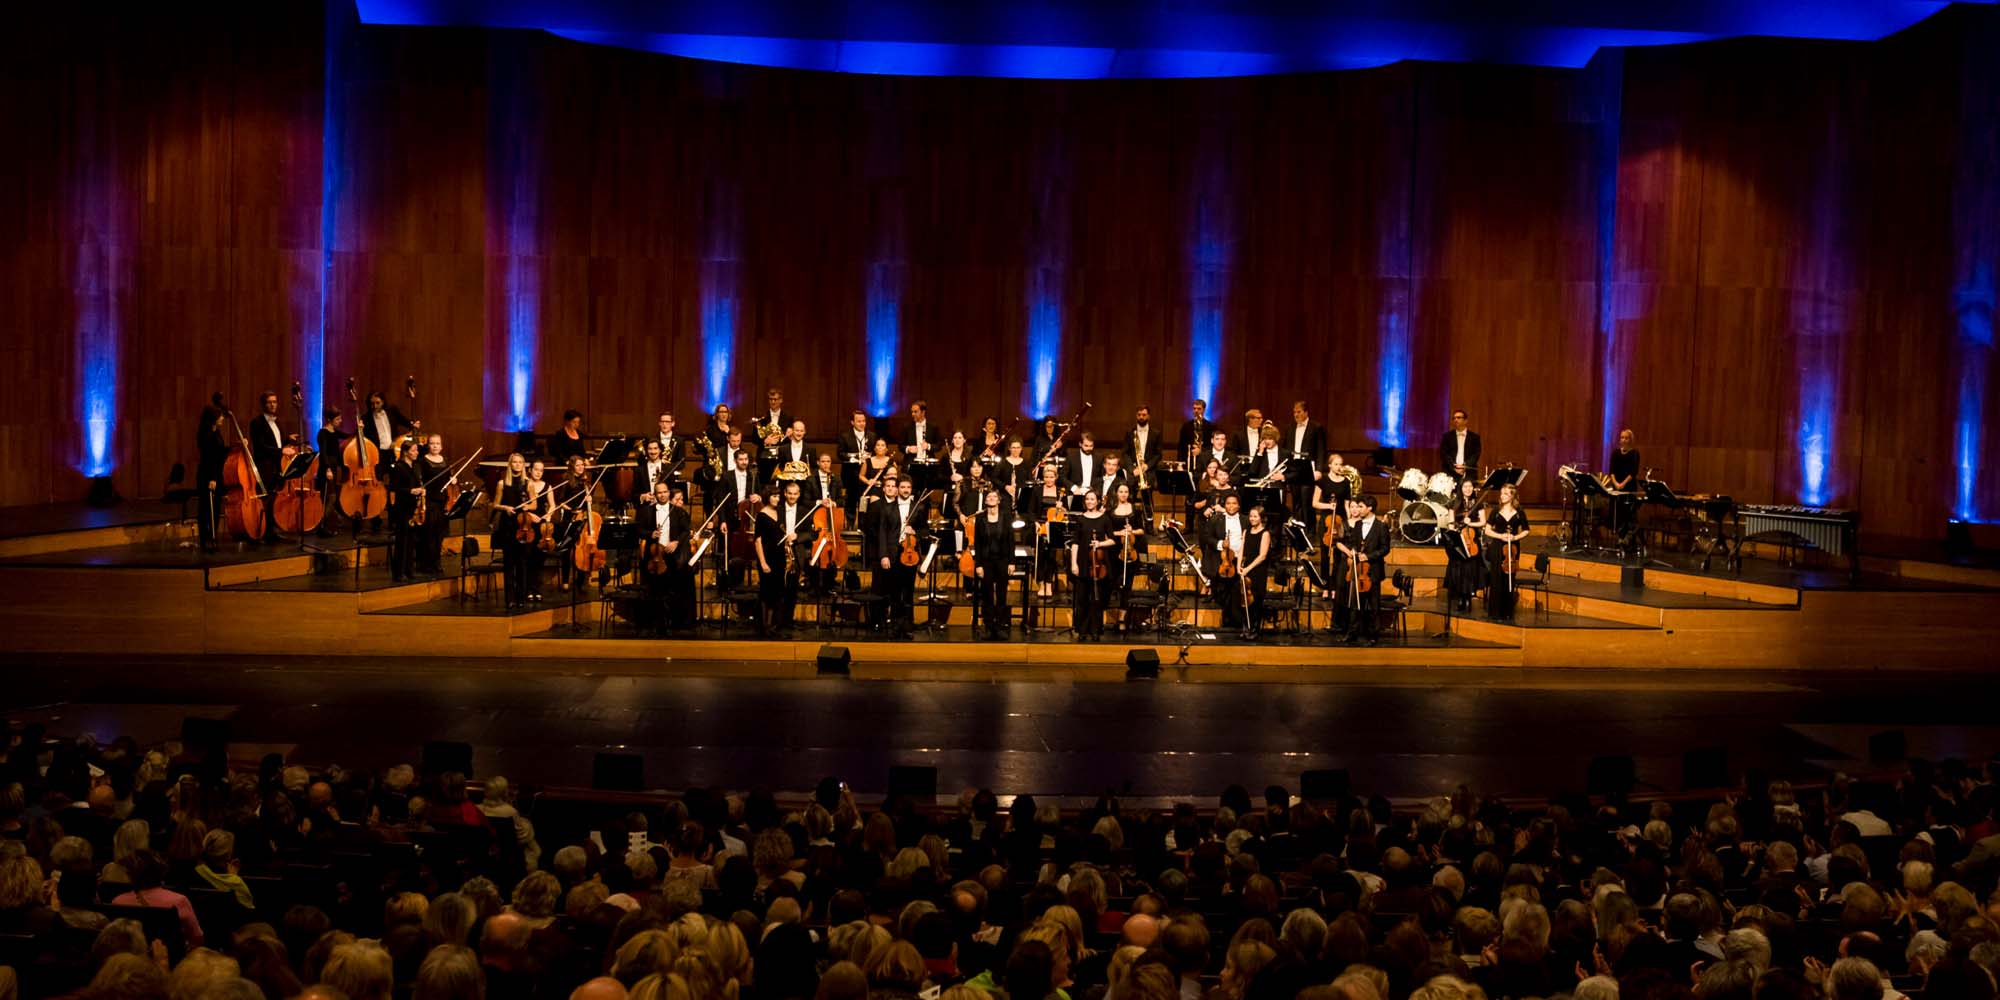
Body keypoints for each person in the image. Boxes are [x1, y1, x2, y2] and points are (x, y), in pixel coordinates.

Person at [757, 481, 815, 637]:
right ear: (785, 493)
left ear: (799, 494)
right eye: (789, 493)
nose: (792, 496)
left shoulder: (805, 511)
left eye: (795, 493)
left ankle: (787, 622)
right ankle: (776, 624)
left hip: (796, 553)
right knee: (779, 590)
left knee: (792, 589)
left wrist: (797, 536)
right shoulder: (777, 510)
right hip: (778, 553)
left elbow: (811, 534)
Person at [874, 475, 929, 637]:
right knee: (894, 592)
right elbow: (882, 533)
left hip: (910, 554)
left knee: (908, 592)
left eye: (908, 488)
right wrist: (883, 555)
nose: (905, 490)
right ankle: (896, 626)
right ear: (897, 489)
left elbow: (925, 530)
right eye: (903, 487)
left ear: (911, 490)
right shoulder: (887, 508)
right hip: (893, 553)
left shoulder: (918, 508)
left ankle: (907, 626)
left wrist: (915, 532)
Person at [639, 482, 693, 633]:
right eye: (659, 493)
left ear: (669, 493)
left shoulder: (678, 511)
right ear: (655, 495)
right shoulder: (647, 511)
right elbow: (639, 530)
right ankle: (658, 623)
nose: (662, 495)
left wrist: (676, 542)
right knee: (656, 591)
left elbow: (686, 531)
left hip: (672, 555)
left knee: (673, 590)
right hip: (655, 555)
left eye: (664, 492)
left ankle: (674, 622)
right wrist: (651, 534)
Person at [1340, 496, 1391, 645]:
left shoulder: (1381, 526)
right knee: (1356, 604)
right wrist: (1354, 552)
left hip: (1373, 571)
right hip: (1358, 571)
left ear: (1369, 508)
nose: (1358, 509)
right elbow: (1352, 544)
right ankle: (1352, 633)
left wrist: (1368, 556)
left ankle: (1373, 635)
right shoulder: (1357, 525)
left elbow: (1385, 548)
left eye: (1361, 506)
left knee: (1374, 605)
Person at [1068, 491, 1112, 641]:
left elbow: (1112, 540)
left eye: (1092, 499)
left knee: (1096, 599)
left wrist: (1100, 543)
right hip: (1083, 562)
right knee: (1082, 598)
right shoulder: (1080, 519)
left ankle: (1095, 629)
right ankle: (1082, 630)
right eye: (1087, 499)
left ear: (1097, 501)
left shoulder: (1104, 519)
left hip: (1099, 564)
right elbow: (1075, 543)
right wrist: (1074, 563)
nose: (1089, 501)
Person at [1484, 483, 1531, 622]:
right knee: (1497, 579)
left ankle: (1507, 612)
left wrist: (1515, 537)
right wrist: (1500, 536)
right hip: (1498, 547)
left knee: (1509, 579)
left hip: (1513, 548)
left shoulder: (1519, 512)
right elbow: (1487, 530)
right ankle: (1495, 613)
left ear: (1512, 496)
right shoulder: (1496, 511)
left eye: (1506, 494)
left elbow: (1526, 530)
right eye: (1502, 493)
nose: (1502, 496)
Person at [971, 488, 1013, 640]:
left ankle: (1000, 626)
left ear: (999, 500)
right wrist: (978, 565)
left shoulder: (1006, 516)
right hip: (986, 561)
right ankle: (989, 626)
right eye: (989, 496)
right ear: (985, 500)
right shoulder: (980, 518)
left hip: (1002, 560)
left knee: (1002, 594)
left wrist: (1011, 562)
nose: (992, 498)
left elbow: (1010, 541)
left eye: (994, 496)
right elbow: (978, 543)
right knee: (987, 594)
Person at [1445, 477, 1488, 614]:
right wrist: (1455, 531)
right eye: (1465, 487)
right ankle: (1460, 597)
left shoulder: (1478, 504)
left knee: (1470, 569)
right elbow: (1451, 522)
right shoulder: (1454, 503)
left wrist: (1471, 524)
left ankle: (1468, 595)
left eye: (1470, 486)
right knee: (1458, 568)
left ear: (1473, 489)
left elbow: (1483, 522)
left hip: (1472, 539)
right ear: (1461, 489)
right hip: (1459, 538)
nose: (1468, 489)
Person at [386, 441, 424, 582]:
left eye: (416, 450)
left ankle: (409, 570)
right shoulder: (398, 467)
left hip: (413, 508)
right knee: (402, 541)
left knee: (411, 541)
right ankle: (398, 573)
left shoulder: (414, 467)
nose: (416, 453)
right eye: (413, 450)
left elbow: (417, 484)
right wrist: (410, 491)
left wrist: (421, 490)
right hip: (402, 508)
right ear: (405, 452)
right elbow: (394, 488)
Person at [196, 404, 230, 551]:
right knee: (205, 509)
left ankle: (213, 536)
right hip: (207, 475)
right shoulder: (205, 434)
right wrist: (212, 478)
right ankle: (205, 539)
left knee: (215, 509)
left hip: (217, 474)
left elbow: (221, 453)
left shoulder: (217, 433)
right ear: (213, 418)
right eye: (220, 416)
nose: (222, 418)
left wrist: (237, 445)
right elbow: (209, 457)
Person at [1238, 506, 1274, 638]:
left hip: (1257, 571)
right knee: (1244, 601)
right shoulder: (1246, 532)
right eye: (1251, 516)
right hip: (1245, 569)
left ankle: (1254, 629)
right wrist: (1238, 566)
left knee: (1256, 600)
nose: (1252, 519)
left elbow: (1262, 556)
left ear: (1261, 518)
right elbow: (1241, 550)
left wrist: (1248, 568)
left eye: (1255, 516)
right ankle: (1245, 627)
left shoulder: (1265, 533)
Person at [418, 434, 451, 575]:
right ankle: (426, 564)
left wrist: (453, 481)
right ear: (428, 446)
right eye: (432, 443)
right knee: (429, 534)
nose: (435, 446)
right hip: (429, 501)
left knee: (439, 535)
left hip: (443, 501)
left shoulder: (446, 461)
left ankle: (437, 562)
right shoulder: (422, 461)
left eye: (438, 443)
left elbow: (448, 480)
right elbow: (419, 480)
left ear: (441, 446)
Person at [1124, 406, 1162, 499]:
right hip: (1134, 471)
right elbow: (1125, 453)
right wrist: (1133, 469)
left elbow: (1158, 454)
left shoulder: (1156, 434)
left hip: (1148, 471)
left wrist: (1147, 466)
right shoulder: (1129, 433)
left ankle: (1148, 513)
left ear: (1149, 416)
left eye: (1144, 415)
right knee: (1130, 498)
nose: (1141, 417)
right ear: (1136, 416)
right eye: (1139, 415)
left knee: (1147, 499)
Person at [1440, 408, 1482, 482]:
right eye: (1454, 418)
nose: (1456, 420)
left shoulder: (1475, 437)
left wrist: (1464, 466)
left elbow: (1476, 454)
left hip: (1469, 472)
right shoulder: (1447, 436)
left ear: (1465, 420)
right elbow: (1444, 454)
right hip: (1450, 472)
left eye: (1459, 417)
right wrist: (1454, 466)